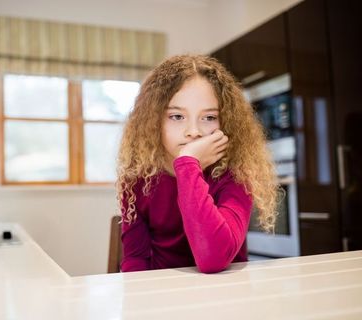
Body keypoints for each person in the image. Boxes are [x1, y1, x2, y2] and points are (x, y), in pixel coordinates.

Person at [116, 54, 279, 273]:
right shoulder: (137, 177)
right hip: (163, 295)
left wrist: (187, 164)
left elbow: (213, 259)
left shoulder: (236, 173)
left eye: (209, 117)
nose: (193, 132)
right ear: (154, 121)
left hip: (225, 296)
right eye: (177, 116)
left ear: (225, 121)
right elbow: (135, 259)